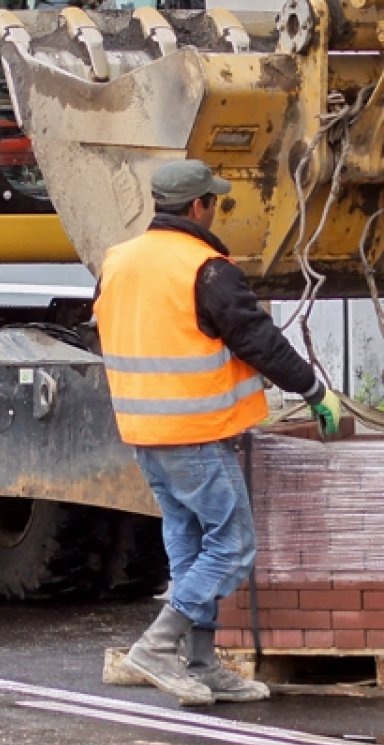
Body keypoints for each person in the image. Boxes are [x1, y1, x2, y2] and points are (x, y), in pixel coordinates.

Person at [93, 159, 342, 707]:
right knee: (232, 545)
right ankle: (157, 647)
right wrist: (314, 391)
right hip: (195, 434)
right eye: (215, 201)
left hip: (144, 432)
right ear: (199, 207)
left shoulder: (119, 261)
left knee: (189, 548)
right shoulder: (205, 269)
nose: (217, 209)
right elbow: (260, 342)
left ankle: (202, 664)